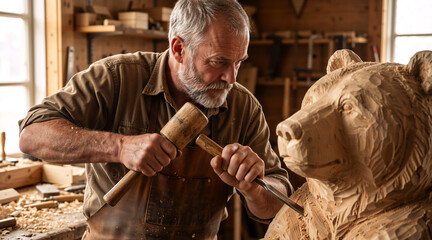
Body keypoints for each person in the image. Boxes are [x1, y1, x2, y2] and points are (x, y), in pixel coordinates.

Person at [18, 0, 293, 239]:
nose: (231, 78)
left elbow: (278, 204)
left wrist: (255, 188)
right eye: (218, 62)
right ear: (178, 49)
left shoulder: (243, 107)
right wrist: (119, 147)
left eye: (239, 62)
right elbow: (31, 135)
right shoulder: (117, 78)